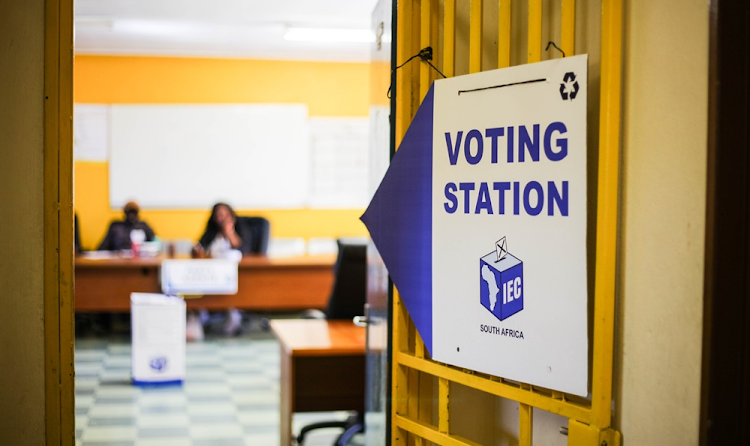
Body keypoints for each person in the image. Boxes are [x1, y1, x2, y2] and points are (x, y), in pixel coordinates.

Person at [191, 203, 252, 336]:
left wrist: (229, 232)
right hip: (212, 270)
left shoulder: (240, 226)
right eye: (218, 214)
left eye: (224, 213)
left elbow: (244, 248)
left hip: (235, 271)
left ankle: (233, 315)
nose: (221, 217)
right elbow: (201, 246)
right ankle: (201, 315)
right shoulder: (212, 230)